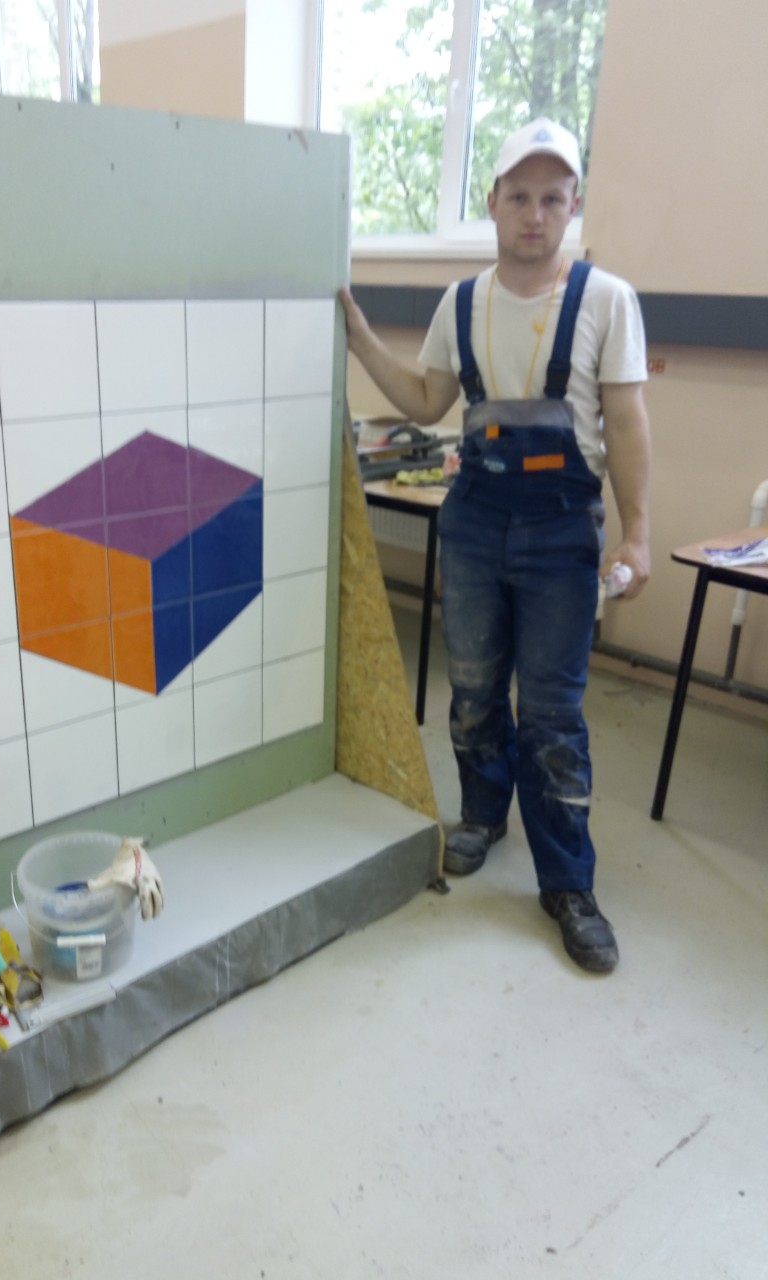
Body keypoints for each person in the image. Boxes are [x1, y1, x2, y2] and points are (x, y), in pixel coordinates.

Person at [340, 118, 651, 974]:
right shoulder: (462, 304)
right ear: (493, 202)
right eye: (519, 196)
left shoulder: (606, 301)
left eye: (552, 198)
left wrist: (638, 531)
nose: (534, 213)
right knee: (473, 688)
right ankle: (482, 814)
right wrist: (361, 335)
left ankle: (568, 883)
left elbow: (626, 422)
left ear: (572, 205)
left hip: (562, 531)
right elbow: (426, 398)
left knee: (551, 713)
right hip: (475, 520)